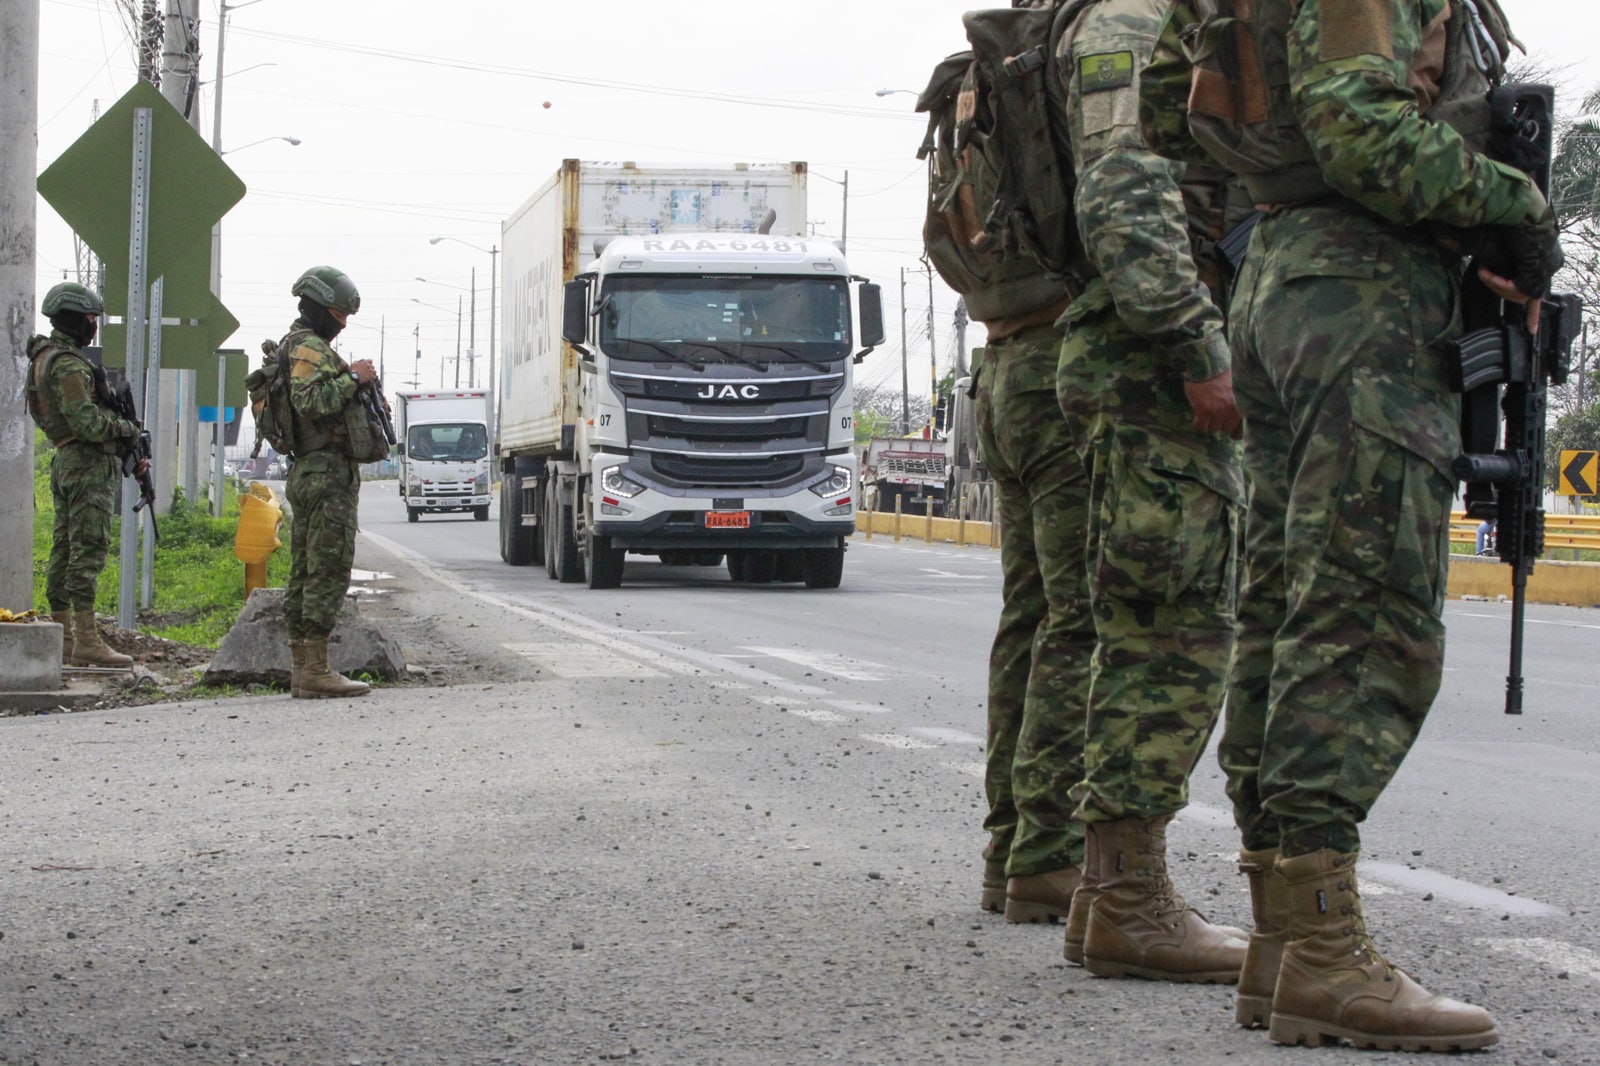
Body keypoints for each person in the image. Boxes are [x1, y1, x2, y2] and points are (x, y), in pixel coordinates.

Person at [1146, 0, 1561, 1047]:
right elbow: (1355, 124)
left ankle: (1285, 943)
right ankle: (1323, 949)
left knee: (1289, 605)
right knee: (1366, 617)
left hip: (1291, 278)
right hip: (1362, 298)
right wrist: (1515, 205)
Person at [1050, 0, 1250, 983]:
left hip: (1145, 355)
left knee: (1147, 626)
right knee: (1171, 632)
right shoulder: (1131, 16)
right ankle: (1129, 900)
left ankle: (1109, 892)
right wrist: (1196, 342)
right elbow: (1119, 183)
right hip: (1150, 362)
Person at [916, 47, 1094, 926]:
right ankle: (1047, 854)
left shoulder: (980, 81)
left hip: (1007, 366)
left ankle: (1012, 850)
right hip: (1069, 365)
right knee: (1081, 617)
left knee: (1033, 614)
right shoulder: (1074, 63)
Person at [25, 282, 145, 668]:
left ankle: (63, 637)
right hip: (85, 464)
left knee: (64, 546)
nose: (93, 325)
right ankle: (86, 639)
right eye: (90, 319)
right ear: (75, 318)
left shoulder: (45, 357)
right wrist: (127, 430)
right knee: (87, 548)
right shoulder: (69, 363)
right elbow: (89, 422)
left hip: (65, 458)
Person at [278, 265, 380, 699]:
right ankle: (315, 669)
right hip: (324, 472)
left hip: (314, 470)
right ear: (319, 308)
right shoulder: (308, 348)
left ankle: (304, 670)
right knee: (328, 566)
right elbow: (309, 401)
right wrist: (354, 377)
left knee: (307, 567)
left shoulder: (301, 345)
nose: (342, 323)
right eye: (337, 314)